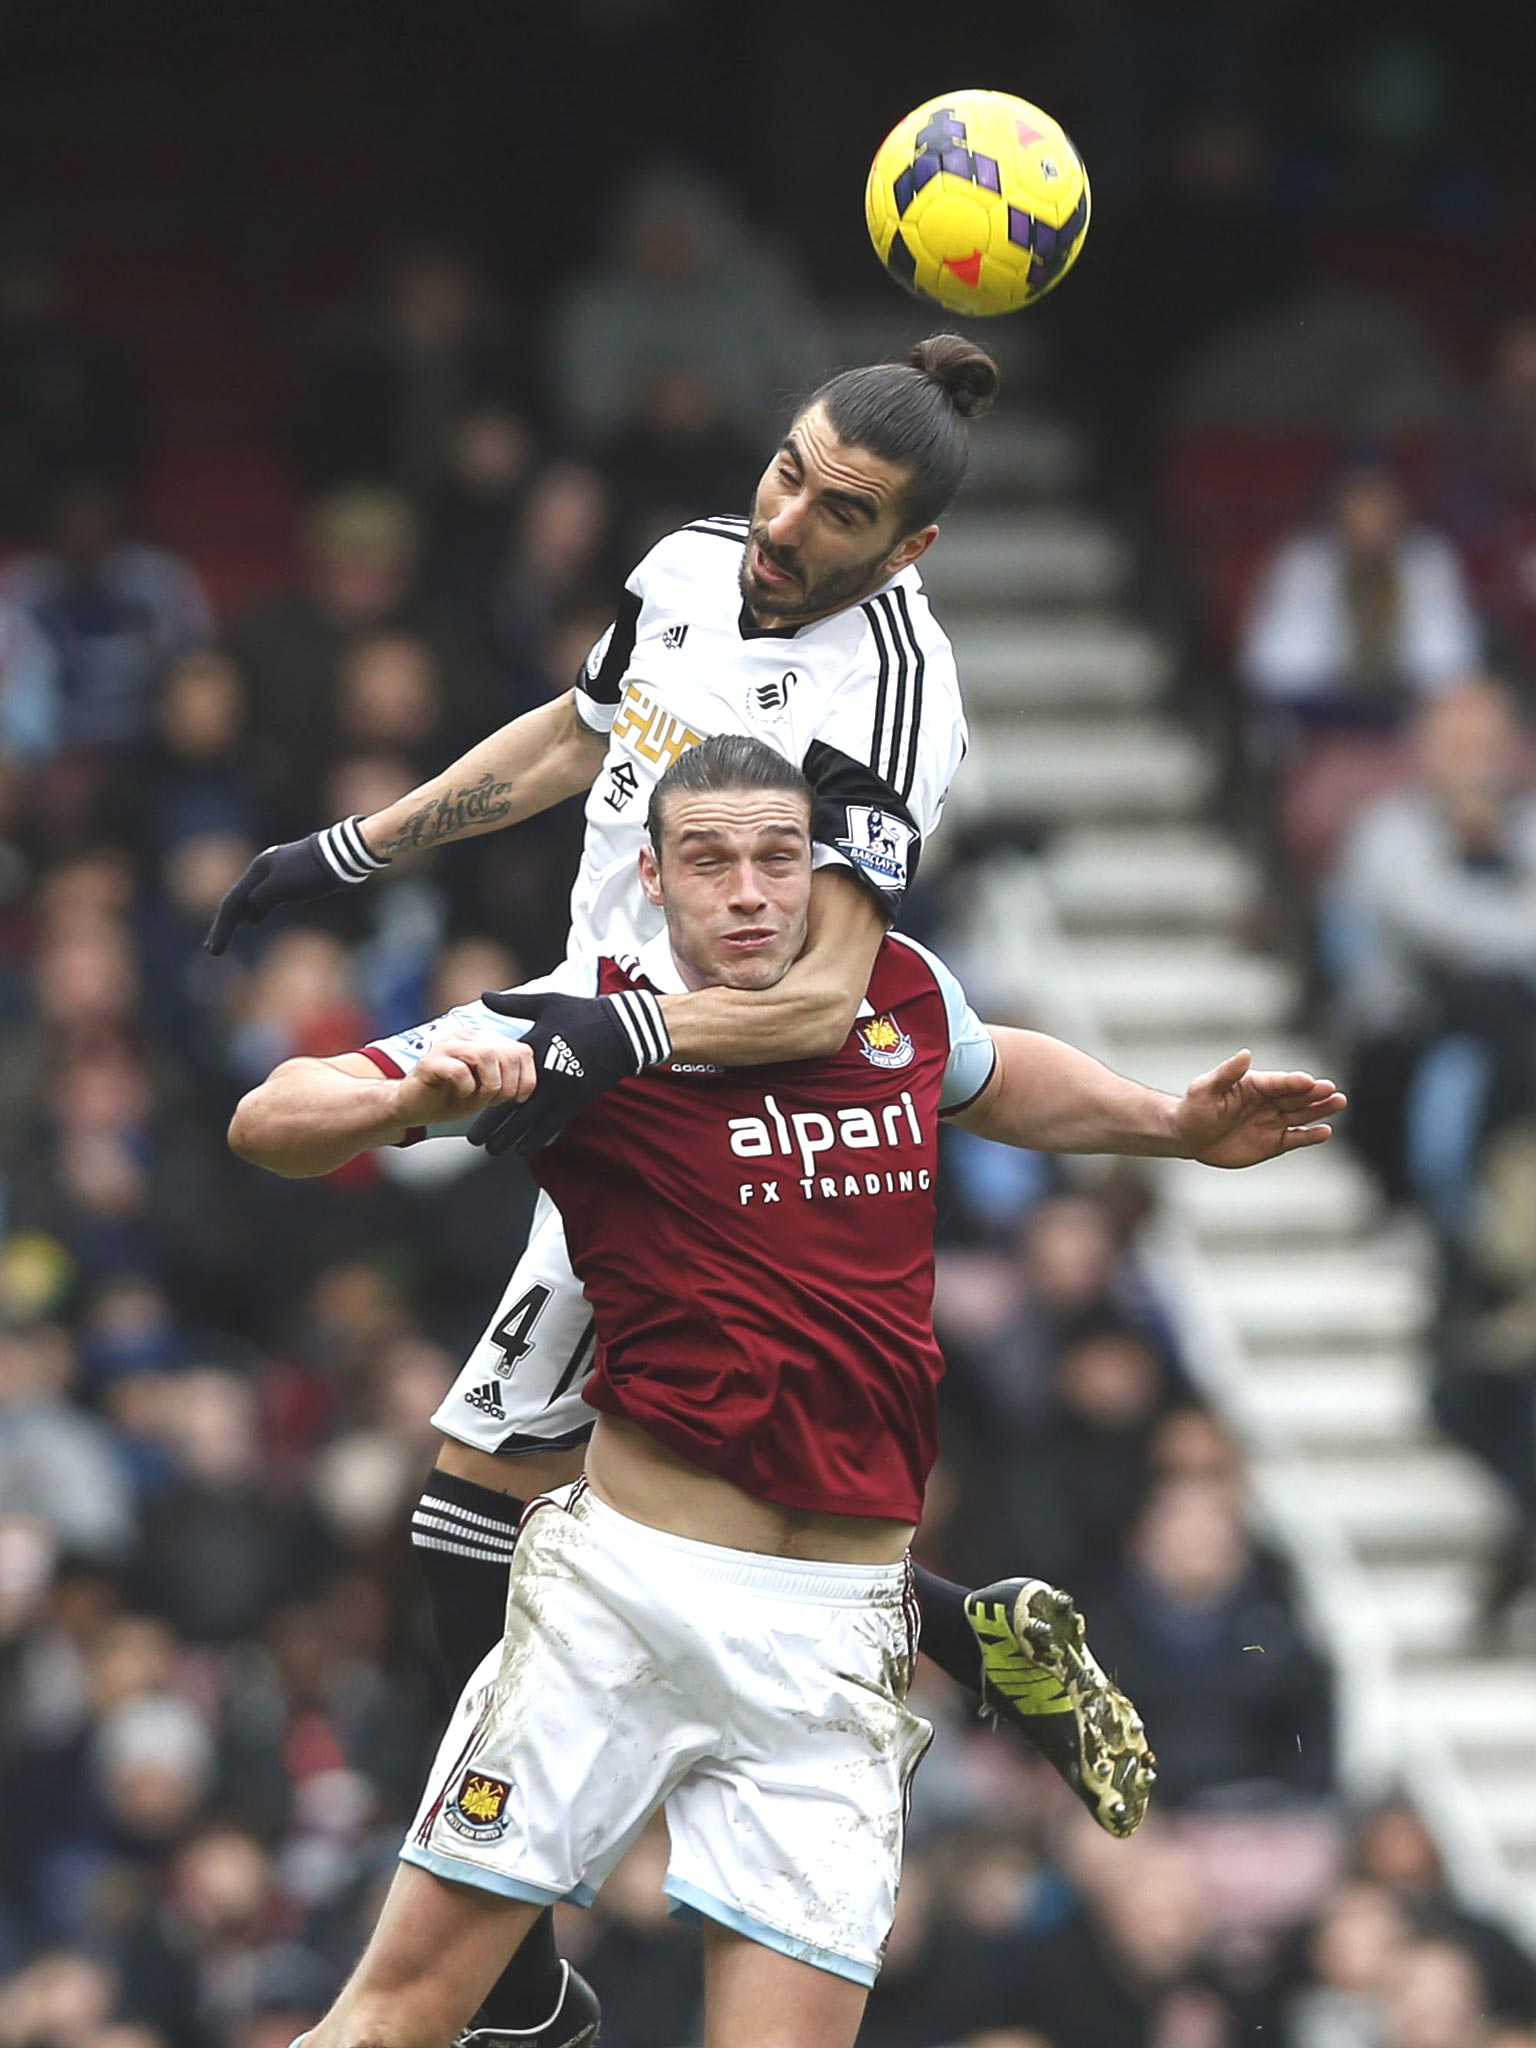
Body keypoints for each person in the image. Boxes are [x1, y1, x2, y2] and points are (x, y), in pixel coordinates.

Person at [209, 336, 1154, 2039]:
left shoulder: (897, 693)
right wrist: (360, 848)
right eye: (787, 469)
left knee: (462, 1527)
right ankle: (948, 1632)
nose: (786, 519)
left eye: (839, 508)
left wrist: (594, 1047)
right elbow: (577, 739)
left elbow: (827, 995)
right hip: (599, 1066)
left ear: (911, 547)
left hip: (690, 1104)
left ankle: (521, 1999)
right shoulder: (684, 569)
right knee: (459, 1531)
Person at [229, 738, 1343, 2048]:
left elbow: (984, 1070)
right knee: (399, 2017)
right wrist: (401, 1097)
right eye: (709, 860)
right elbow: (273, 1115)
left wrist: (1168, 1124)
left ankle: (956, 1631)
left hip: (840, 1639)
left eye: (779, 858)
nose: (751, 892)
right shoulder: (570, 1019)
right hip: (626, 1606)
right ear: (651, 875)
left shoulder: (896, 991)